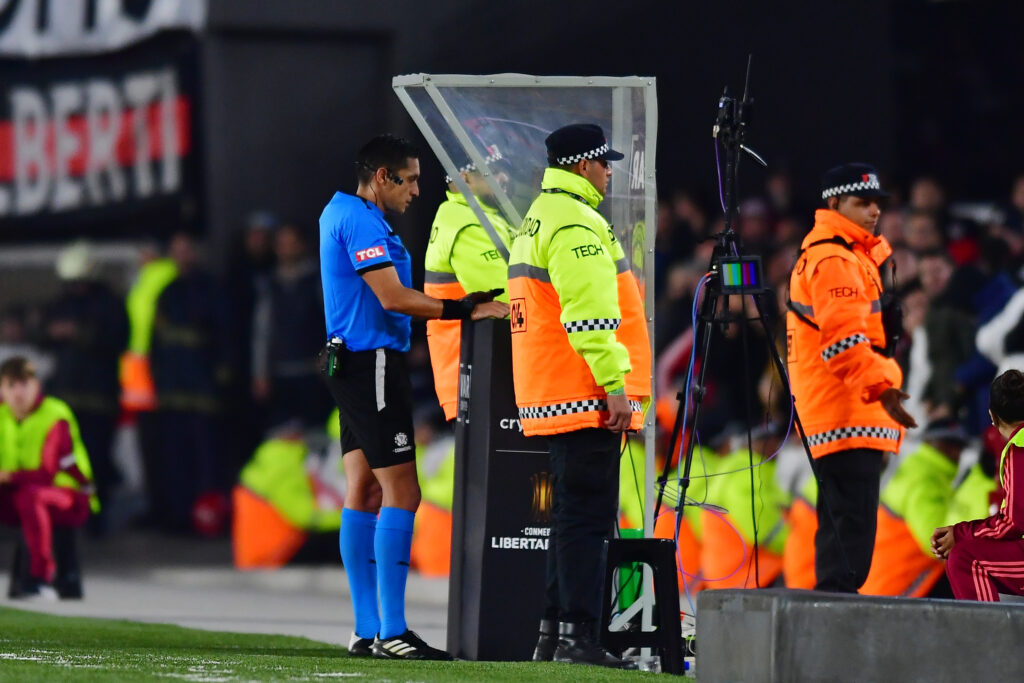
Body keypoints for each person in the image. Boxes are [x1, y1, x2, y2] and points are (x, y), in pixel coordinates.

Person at [318, 134, 507, 660]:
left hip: (353, 362)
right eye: (411, 179)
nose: (418, 190)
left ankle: (367, 628)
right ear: (382, 177)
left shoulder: (342, 213)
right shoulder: (358, 220)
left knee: (364, 490)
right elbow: (393, 297)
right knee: (403, 493)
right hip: (371, 365)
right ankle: (393, 632)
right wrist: (462, 309)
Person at [509, 123, 650, 669]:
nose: (610, 171)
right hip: (583, 393)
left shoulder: (538, 216)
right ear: (581, 165)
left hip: (553, 390)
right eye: (603, 162)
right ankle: (577, 638)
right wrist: (614, 385)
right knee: (586, 520)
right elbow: (590, 316)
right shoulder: (576, 222)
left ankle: (553, 635)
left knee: (570, 517)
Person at [786, 163, 918, 594]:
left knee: (846, 533)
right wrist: (885, 389)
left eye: (877, 202)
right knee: (848, 542)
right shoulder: (835, 259)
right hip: (846, 413)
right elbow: (843, 346)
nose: (874, 211)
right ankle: (833, 631)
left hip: (844, 411)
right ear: (833, 204)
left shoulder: (847, 256)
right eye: (862, 202)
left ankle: (831, 625)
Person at [42, 241, 129, 534]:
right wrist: (50, 332)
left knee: (97, 459)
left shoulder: (109, 304)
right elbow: (40, 331)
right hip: (66, 397)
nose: (76, 287)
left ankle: (96, 517)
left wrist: (79, 333)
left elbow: (118, 337)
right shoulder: (61, 302)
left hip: (100, 398)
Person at [424, 145, 514, 421]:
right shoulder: (464, 223)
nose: (504, 178)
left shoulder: (487, 217)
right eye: (492, 170)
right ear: (464, 178)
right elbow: (509, 300)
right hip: (478, 382)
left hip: (487, 376)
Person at [0, 357, 97, 599]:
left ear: (36, 385)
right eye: (11, 386)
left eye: (24, 384)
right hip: (18, 491)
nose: (18, 392)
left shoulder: (55, 415)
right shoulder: (3, 416)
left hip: (70, 495)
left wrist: (9, 476)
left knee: (32, 498)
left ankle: (40, 578)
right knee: (27, 497)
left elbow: (48, 473)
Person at [933, 370, 1024, 601]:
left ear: (992, 416)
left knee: (965, 559)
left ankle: (987, 637)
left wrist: (960, 534)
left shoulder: (1018, 448)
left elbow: (1013, 524)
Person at [861, 419, 967, 598]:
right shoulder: (924, 480)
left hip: (886, 587)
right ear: (930, 443)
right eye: (948, 444)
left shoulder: (919, 470)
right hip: (900, 591)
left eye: (958, 446)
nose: (955, 452)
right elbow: (938, 545)